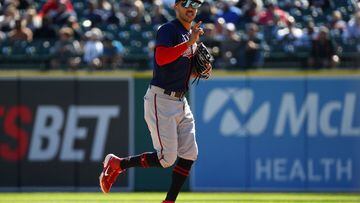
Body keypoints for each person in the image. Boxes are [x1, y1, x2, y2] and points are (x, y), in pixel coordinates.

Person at [99, 1, 212, 203]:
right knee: (166, 159)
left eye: (194, 5)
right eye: (186, 4)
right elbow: (161, 58)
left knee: (190, 153)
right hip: (161, 99)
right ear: (176, 6)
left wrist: (199, 70)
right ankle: (118, 164)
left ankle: (169, 201)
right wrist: (189, 44)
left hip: (180, 100)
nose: (191, 9)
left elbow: (183, 68)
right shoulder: (168, 30)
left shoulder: (191, 36)